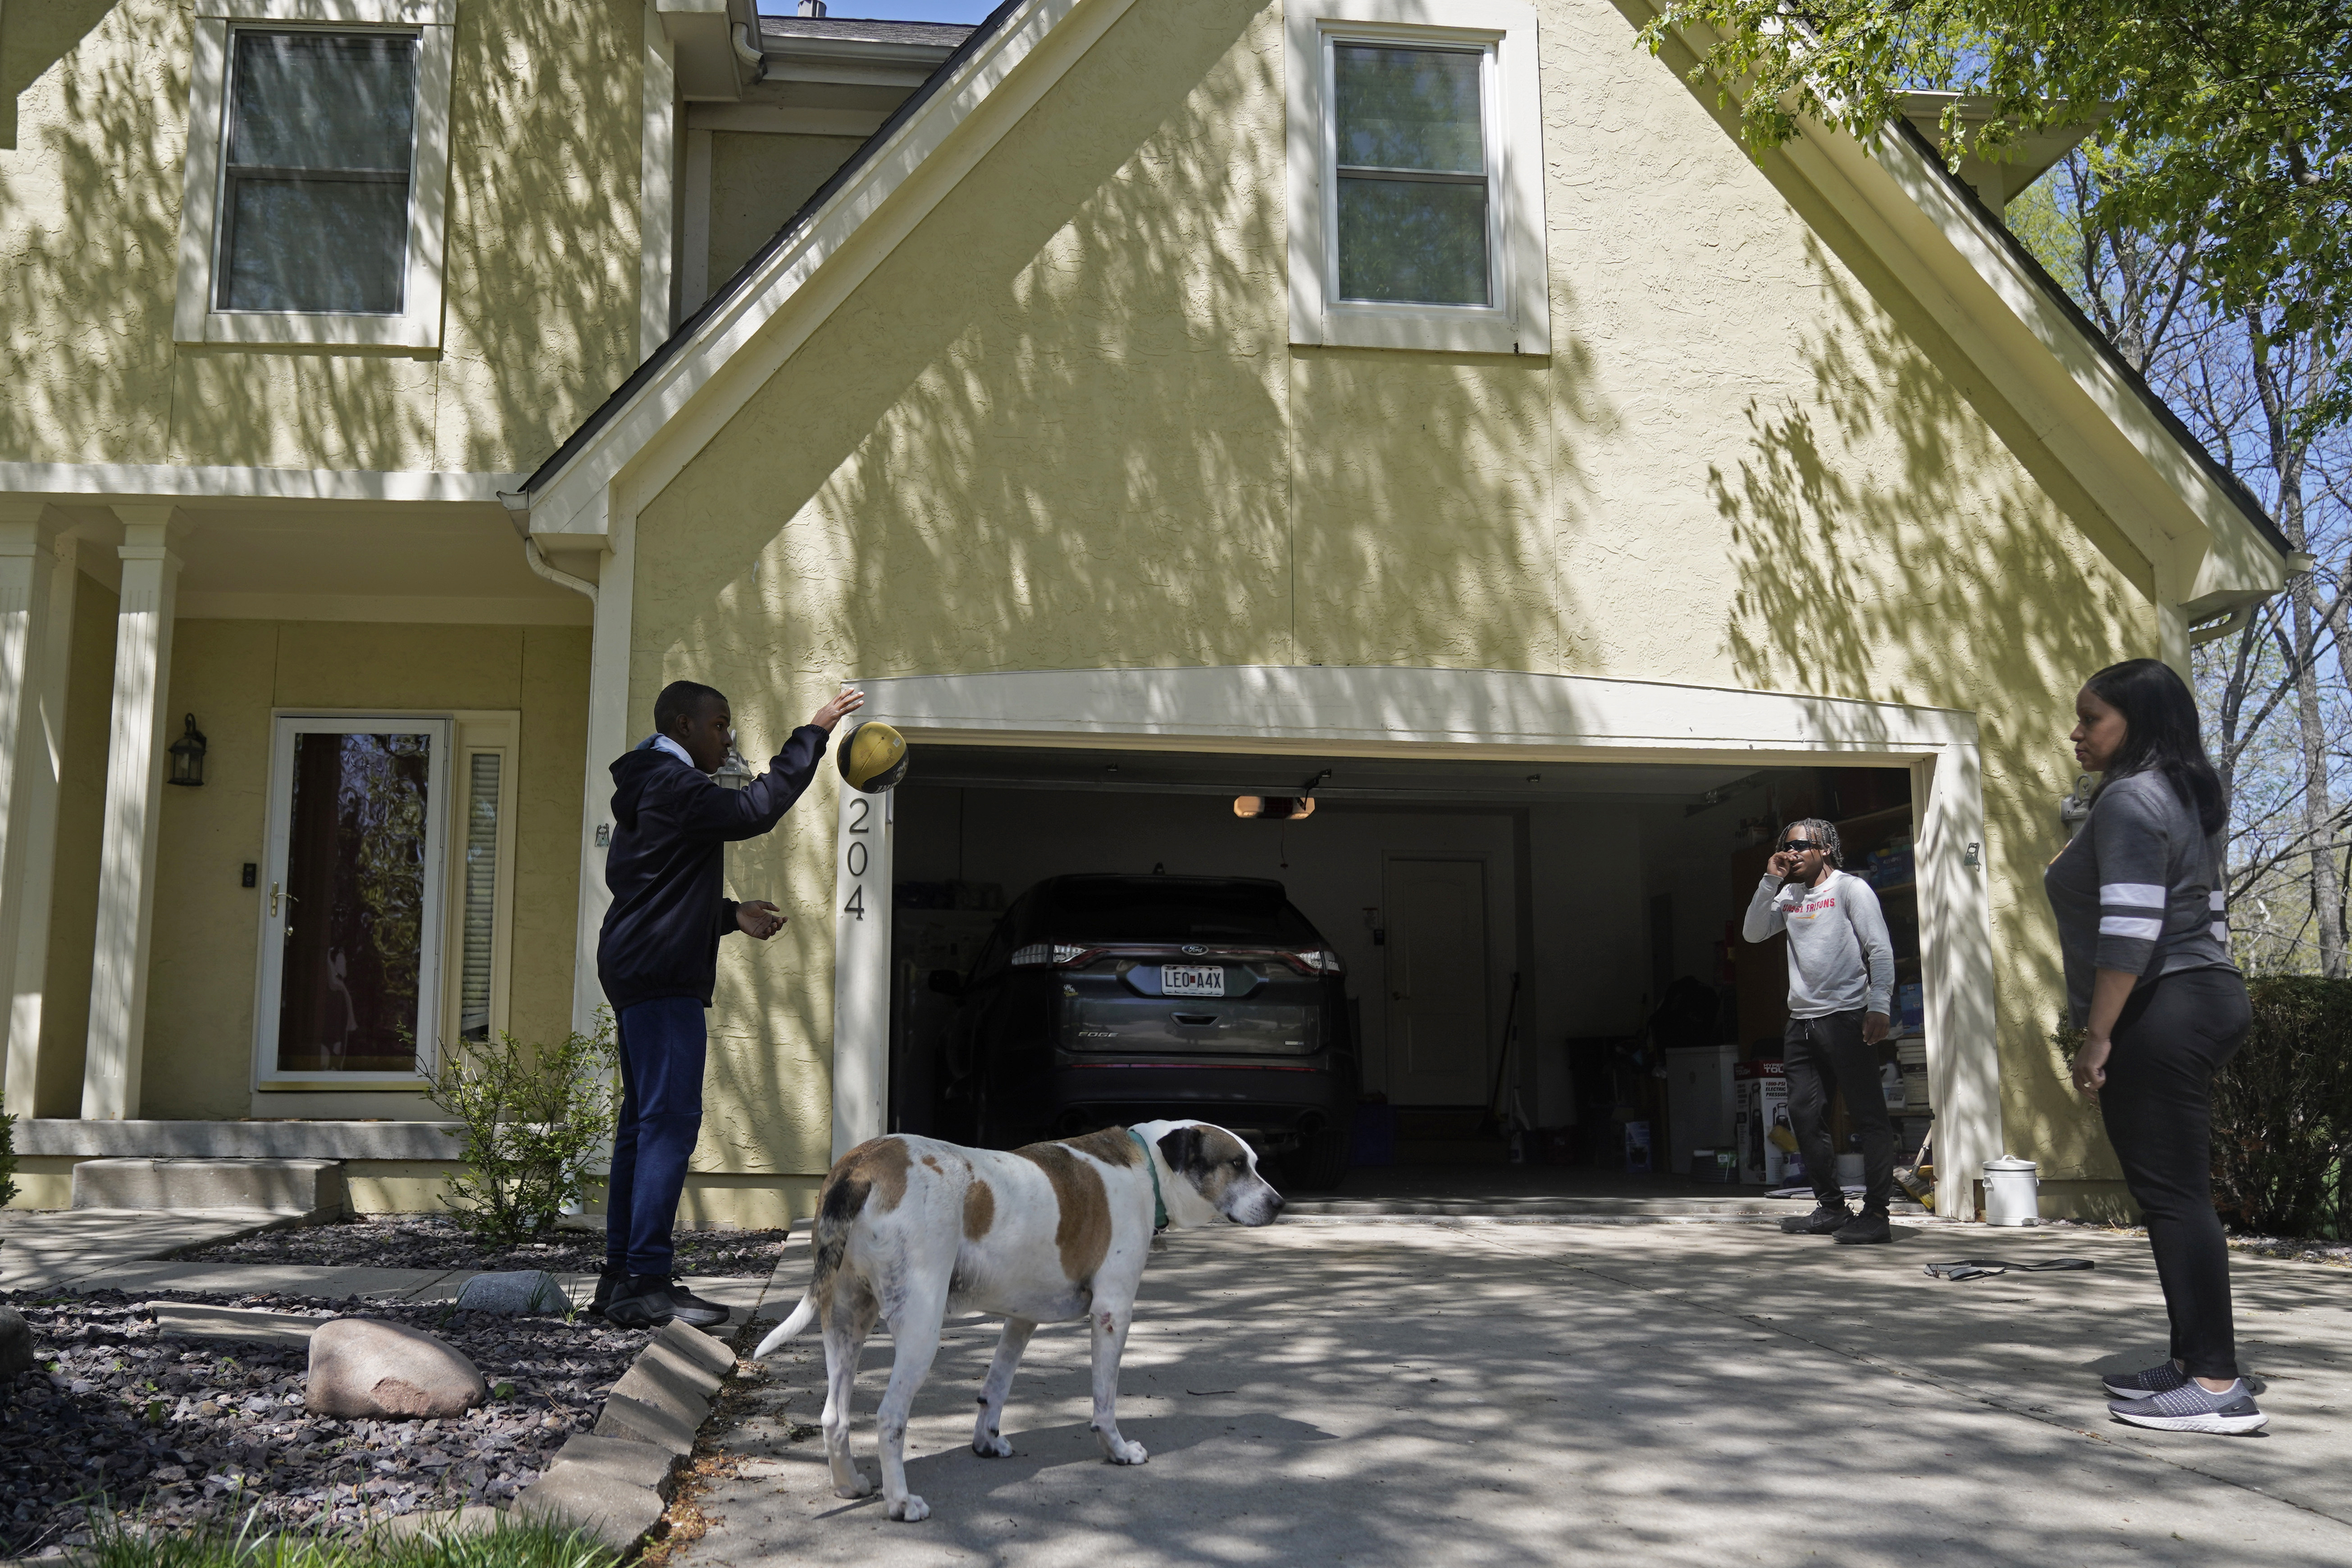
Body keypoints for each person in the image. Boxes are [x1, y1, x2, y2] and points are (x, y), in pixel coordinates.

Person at [593, 679, 865, 1330]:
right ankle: (648, 1282)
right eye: (720, 726)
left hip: (638, 965)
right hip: (659, 977)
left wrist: (728, 915)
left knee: (643, 1126)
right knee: (668, 1125)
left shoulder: (653, 784)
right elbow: (754, 812)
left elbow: (657, 885)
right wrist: (816, 731)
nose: (728, 738)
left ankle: (622, 1278)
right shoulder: (672, 783)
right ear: (685, 725)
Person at [2047, 658, 2263, 1434]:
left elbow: (2130, 932)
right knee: (2176, 1195)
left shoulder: (2131, 800)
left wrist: (2097, 1037)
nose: (2076, 732)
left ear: (2136, 725)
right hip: (2203, 994)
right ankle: (2190, 1363)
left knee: (2175, 1200)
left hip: (2163, 1003)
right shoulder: (2184, 793)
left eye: (2091, 718)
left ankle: (2213, 1387)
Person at [1743, 818, 1898, 1244]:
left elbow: (1879, 950)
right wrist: (1767, 881)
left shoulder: (1851, 890)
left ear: (1825, 848)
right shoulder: (1789, 895)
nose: (1790, 854)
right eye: (1784, 847)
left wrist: (1879, 1005)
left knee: (1868, 1117)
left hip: (1848, 1016)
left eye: (1798, 846)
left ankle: (1877, 1216)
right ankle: (1831, 1208)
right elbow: (1754, 934)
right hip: (1802, 1022)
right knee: (1806, 1116)